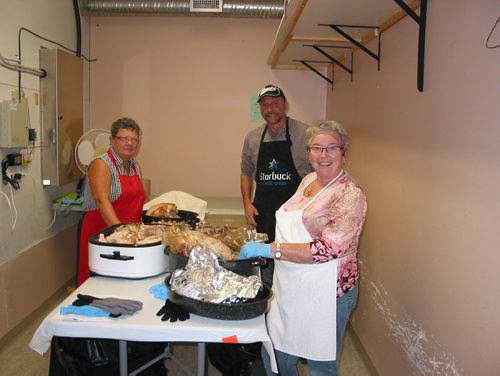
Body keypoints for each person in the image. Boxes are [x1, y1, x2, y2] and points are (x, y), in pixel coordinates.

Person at [239, 120, 368, 376]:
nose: (324, 155)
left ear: (344, 152)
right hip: (292, 283)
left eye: (332, 148)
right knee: (276, 351)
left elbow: (329, 249)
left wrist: (271, 250)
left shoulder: (350, 194)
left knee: (320, 363)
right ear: (308, 153)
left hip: (329, 292)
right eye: (317, 148)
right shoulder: (309, 180)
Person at [240, 84, 312, 285]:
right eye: (265, 105)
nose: (270, 109)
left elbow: (318, 175)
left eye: (275, 103)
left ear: (285, 105)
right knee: (266, 275)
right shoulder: (253, 138)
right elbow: (245, 171)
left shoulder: (305, 134)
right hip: (264, 216)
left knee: (292, 276)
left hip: (295, 220)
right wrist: (247, 203)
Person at [77, 117, 146, 286]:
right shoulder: (101, 164)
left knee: (127, 284)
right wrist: (122, 235)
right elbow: (102, 201)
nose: (130, 143)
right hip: (105, 235)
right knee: (101, 286)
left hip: (130, 235)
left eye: (134, 139)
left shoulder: (134, 164)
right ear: (111, 140)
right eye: (124, 138)